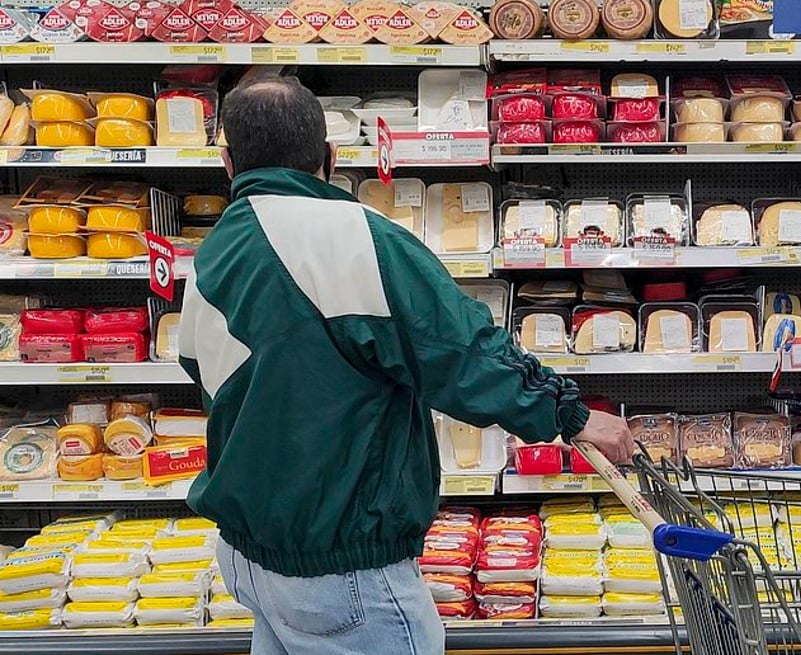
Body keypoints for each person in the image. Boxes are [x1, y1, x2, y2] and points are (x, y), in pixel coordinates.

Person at [177, 77, 633, 655]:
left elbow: (200, 367)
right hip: (342, 566)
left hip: (249, 556)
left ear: (227, 162)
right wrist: (569, 414)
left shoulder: (213, 252)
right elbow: (457, 347)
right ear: (330, 156)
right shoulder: (354, 238)